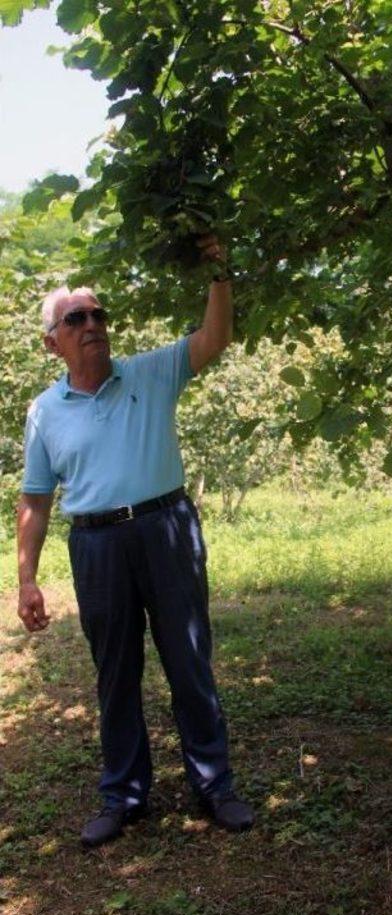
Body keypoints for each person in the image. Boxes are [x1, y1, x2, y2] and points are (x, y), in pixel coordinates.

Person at [16, 235, 255, 847]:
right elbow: (36, 500)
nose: (93, 324)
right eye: (77, 318)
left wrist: (219, 275)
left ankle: (215, 786)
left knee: (189, 659)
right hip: (96, 548)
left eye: (99, 315)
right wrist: (26, 579)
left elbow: (214, 339)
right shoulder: (43, 412)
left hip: (167, 530)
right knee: (114, 672)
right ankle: (123, 795)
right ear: (54, 341)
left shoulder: (152, 371)